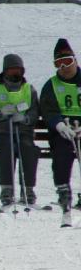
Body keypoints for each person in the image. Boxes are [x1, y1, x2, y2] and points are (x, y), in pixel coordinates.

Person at [0, 54, 40, 207]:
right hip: (2, 131)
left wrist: (26, 119)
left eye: (18, 70)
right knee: (6, 147)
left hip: (22, 131)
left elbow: (35, 110)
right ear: (5, 71)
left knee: (28, 149)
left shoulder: (29, 89)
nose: (15, 73)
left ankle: (28, 189)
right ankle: (7, 189)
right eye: (11, 70)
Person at [39, 38, 81, 212]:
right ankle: (63, 190)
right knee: (62, 151)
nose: (64, 67)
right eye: (59, 64)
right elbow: (48, 110)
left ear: (75, 61)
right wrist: (59, 126)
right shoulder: (52, 85)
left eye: (67, 61)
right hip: (63, 129)